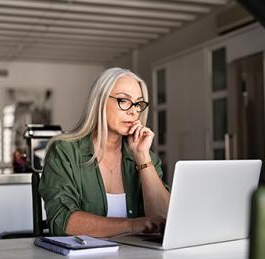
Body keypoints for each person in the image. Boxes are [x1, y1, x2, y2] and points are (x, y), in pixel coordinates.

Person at [39, 67, 170, 238]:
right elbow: (63, 222)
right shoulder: (65, 151)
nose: (134, 111)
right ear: (99, 101)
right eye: (124, 100)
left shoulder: (146, 156)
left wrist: (143, 158)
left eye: (138, 103)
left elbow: (166, 219)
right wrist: (133, 225)